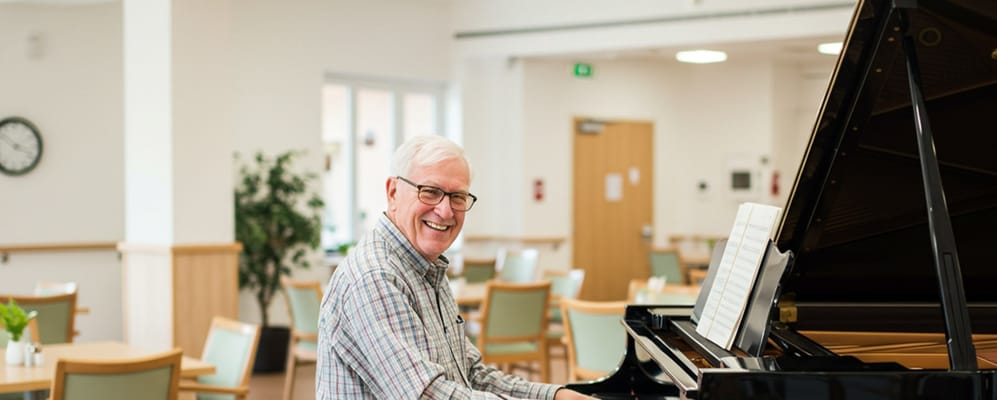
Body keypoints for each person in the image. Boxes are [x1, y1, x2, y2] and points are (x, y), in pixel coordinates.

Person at [316, 135, 594, 399]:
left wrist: (555, 396)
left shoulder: (427, 268)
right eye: (430, 192)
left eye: (457, 197)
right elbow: (427, 395)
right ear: (393, 192)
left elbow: (469, 373)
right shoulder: (375, 278)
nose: (446, 211)